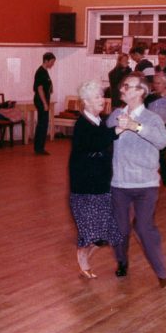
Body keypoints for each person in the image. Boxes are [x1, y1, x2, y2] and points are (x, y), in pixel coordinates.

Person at [106, 72, 166, 287]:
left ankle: (162, 273)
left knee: (144, 228)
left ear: (141, 92)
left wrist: (136, 127)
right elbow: (104, 141)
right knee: (120, 229)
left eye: (128, 86)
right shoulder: (115, 113)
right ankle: (122, 262)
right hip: (119, 184)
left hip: (146, 184)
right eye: (123, 85)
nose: (122, 89)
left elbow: (163, 141)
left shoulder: (152, 118)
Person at [68, 80, 123, 279]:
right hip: (85, 187)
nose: (103, 100)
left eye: (102, 96)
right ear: (86, 102)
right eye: (97, 97)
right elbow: (95, 143)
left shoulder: (100, 121)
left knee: (107, 231)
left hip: (101, 183)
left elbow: (104, 142)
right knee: (92, 229)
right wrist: (116, 131)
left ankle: (83, 254)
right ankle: (82, 256)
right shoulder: (82, 123)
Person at [33, 52, 56, 155]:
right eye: (51, 62)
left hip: (44, 100)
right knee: (42, 124)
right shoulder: (40, 72)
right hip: (41, 101)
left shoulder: (45, 71)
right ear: (46, 61)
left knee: (43, 124)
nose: (52, 64)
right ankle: (39, 148)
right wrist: (45, 104)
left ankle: (39, 147)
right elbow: (40, 88)